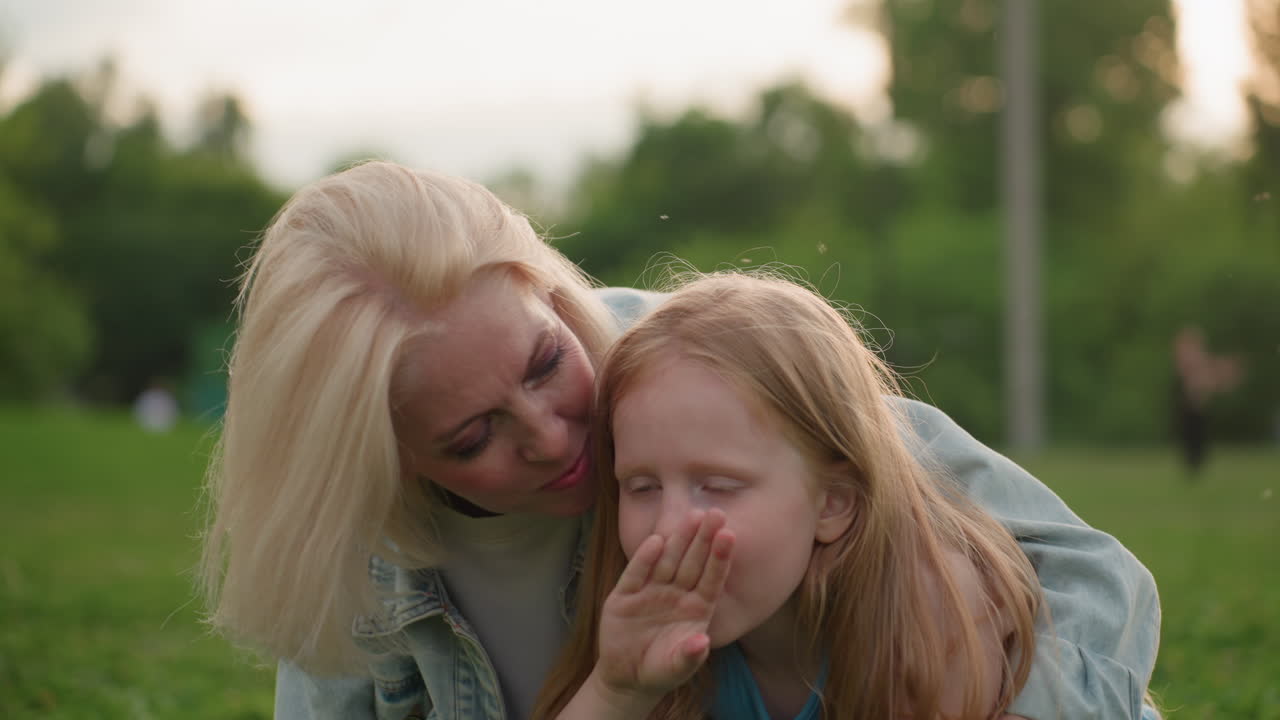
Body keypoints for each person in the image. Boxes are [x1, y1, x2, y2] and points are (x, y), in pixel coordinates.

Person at [198, 161, 1159, 720]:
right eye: (471, 434)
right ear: (382, 462)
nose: (550, 434)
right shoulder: (360, 559)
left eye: (543, 362)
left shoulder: (694, 372)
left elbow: (1091, 577)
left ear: (551, 294)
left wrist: (973, 691)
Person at [535, 273, 1160, 720]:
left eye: (717, 486)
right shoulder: (666, 666)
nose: (670, 527)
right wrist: (616, 690)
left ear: (834, 503)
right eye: (642, 487)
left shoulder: (930, 624)